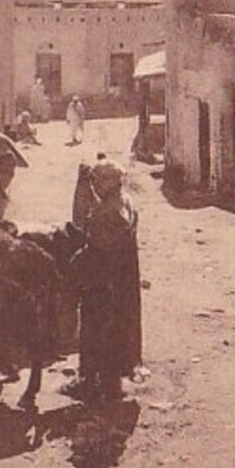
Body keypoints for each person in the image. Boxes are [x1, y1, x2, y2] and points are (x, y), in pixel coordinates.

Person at [68, 158, 142, 400]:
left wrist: (84, 254)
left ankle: (96, 383)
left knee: (99, 327)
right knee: (117, 325)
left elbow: (97, 238)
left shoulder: (110, 212)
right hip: (121, 278)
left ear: (108, 183)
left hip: (105, 279)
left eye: (97, 182)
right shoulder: (123, 201)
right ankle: (109, 380)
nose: (95, 187)